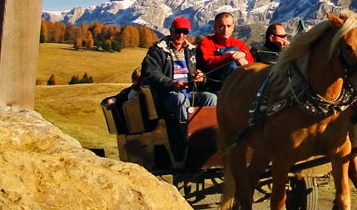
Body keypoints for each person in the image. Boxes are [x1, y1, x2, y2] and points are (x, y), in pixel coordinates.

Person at [141, 16, 216, 161]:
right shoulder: (158, 50)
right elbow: (150, 73)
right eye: (177, 31)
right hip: (167, 95)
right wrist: (172, 84)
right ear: (171, 31)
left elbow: (203, 71)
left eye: (184, 32)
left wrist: (201, 77)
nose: (181, 35)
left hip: (190, 92)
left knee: (211, 98)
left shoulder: (193, 50)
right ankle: (189, 141)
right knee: (180, 100)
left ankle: (209, 138)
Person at [196, 11, 254, 90]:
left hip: (238, 86)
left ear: (233, 27)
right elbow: (208, 62)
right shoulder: (206, 42)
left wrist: (244, 56)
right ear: (215, 27)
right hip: (213, 85)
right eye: (221, 26)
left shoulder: (239, 44)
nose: (225, 29)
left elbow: (251, 65)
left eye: (228, 26)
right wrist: (231, 57)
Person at [100, 68, 143, 133]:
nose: (139, 85)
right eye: (137, 81)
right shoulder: (127, 92)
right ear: (133, 81)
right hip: (130, 125)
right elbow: (118, 98)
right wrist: (112, 101)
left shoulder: (149, 92)